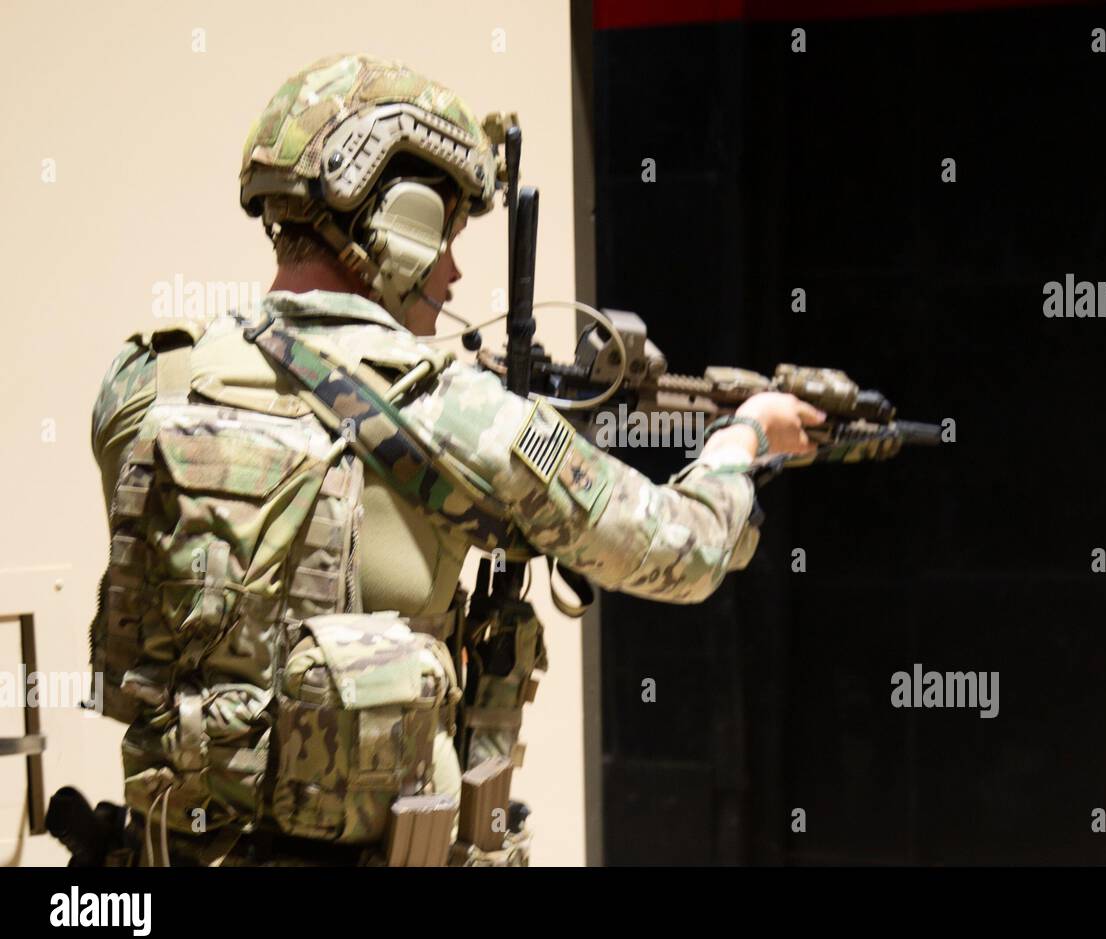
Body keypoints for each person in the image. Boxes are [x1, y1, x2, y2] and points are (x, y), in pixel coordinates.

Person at [87, 53, 823, 866]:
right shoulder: (454, 415)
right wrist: (743, 443)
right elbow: (679, 552)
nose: (455, 268)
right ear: (396, 216)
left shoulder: (147, 381)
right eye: (445, 232)